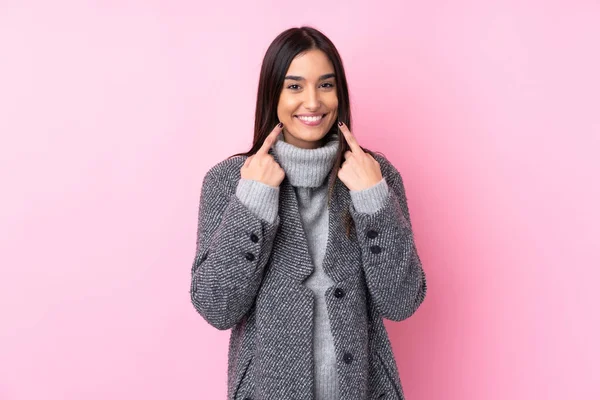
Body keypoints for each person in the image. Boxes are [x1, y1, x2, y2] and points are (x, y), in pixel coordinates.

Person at [190, 26, 427, 400]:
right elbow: (217, 306)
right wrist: (252, 198)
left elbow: (401, 302)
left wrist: (372, 199)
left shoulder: (374, 175)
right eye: (295, 86)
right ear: (274, 94)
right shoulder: (228, 181)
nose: (313, 102)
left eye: (326, 85)